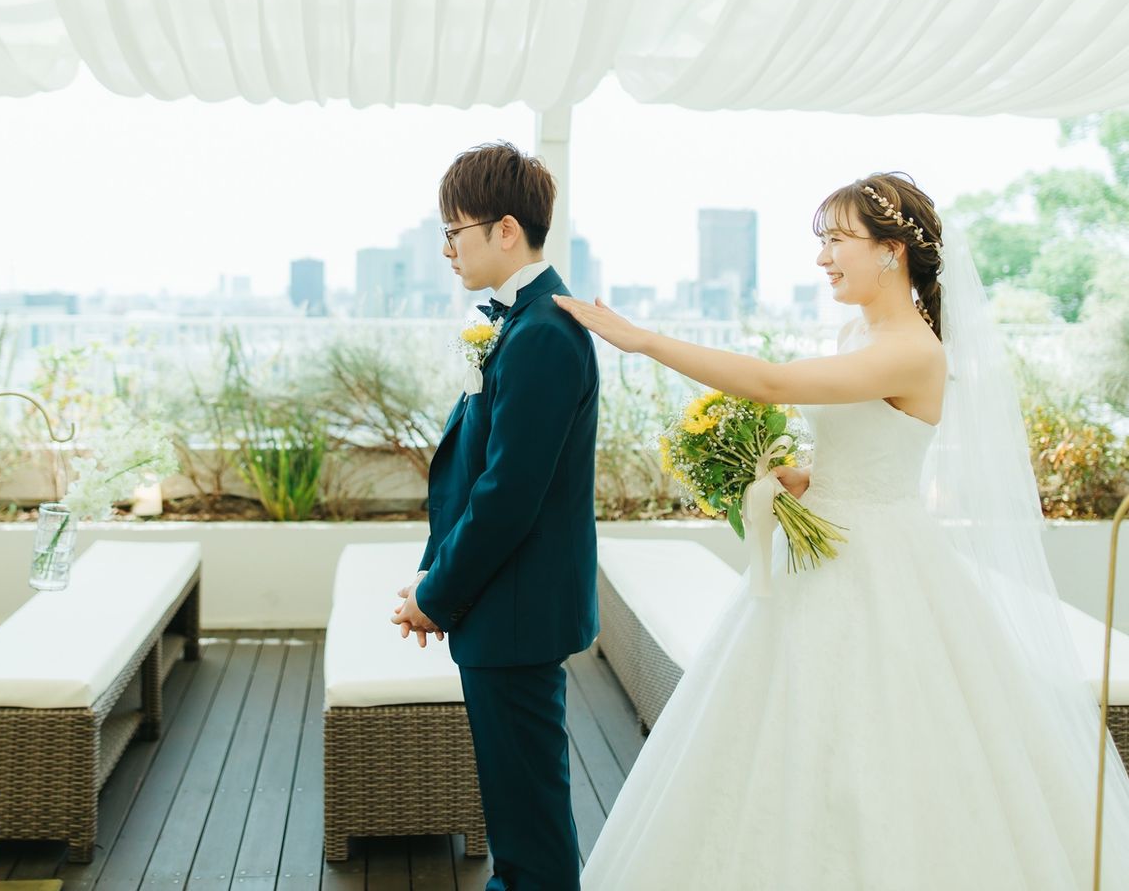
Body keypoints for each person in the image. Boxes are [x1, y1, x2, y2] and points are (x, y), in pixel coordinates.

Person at [554, 172, 1129, 890]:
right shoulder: (858, 331)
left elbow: (771, 383)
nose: (822, 258)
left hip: (881, 560)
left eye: (836, 241)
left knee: (874, 738)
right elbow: (865, 440)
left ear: (891, 250)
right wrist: (804, 476)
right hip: (814, 553)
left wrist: (642, 340)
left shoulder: (914, 350)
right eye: (821, 242)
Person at [392, 141, 600, 891]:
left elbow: (508, 495)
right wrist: (434, 580)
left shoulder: (543, 333)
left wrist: (436, 593)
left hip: (517, 609)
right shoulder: (524, 322)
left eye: (455, 231)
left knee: (530, 830)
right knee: (518, 816)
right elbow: (478, 471)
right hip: (505, 606)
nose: (447, 249)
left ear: (505, 230)